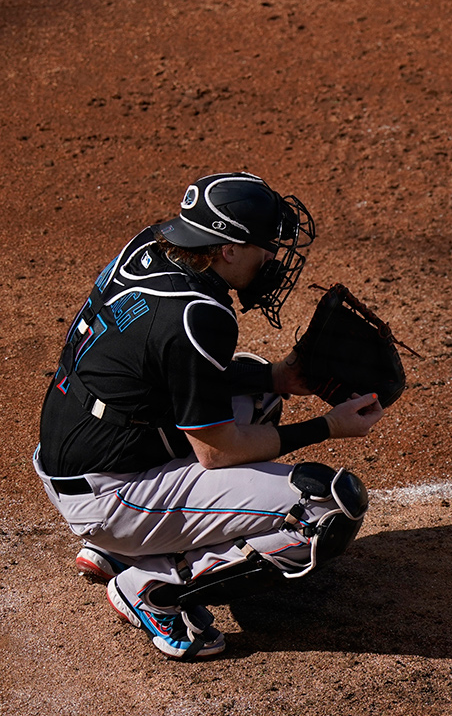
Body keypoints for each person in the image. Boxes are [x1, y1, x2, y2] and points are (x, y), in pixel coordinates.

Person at [33, 172, 384, 660]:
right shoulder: (198, 315)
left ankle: (125, 548)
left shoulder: (154, 247)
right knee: (324, 508)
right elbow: (218, 452)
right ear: (228, 249)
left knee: (260, 397)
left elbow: (163, 368)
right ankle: (153, 586)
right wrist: (328, 427)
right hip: (109, 491)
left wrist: (277, 378)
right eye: (265, 246)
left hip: (85, 442)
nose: (274, 259)